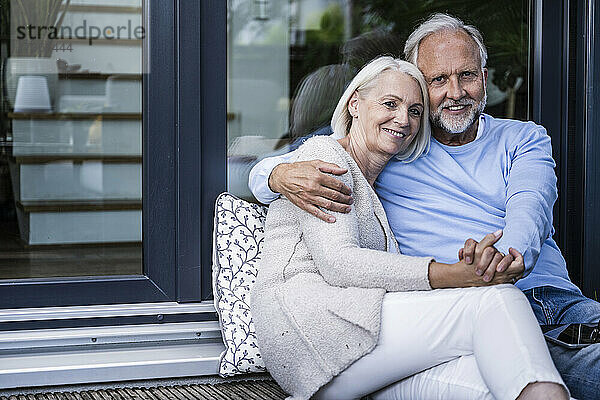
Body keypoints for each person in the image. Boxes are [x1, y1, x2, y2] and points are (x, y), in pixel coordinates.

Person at [248, 13, 600, 400]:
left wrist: (500, 258)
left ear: (484, 77)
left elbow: (529, 207)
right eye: (438, 80)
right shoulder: (394, 144)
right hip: (459, 310)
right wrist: (274, 174)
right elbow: (317, 154)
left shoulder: (522, 138)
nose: (455, 92)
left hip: (551, 304)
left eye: (466, 75)